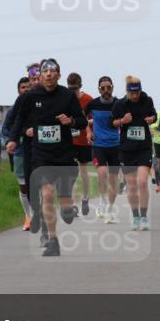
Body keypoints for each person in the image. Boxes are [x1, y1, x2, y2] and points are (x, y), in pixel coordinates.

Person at [7, 58, 87, 256]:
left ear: (59, 75)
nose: (49, 74)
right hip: (41, 155)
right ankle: (53, 241)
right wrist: (14, 139)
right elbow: (18, 120)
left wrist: (70, 121)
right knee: (48, 195)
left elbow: (82, 121)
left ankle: (68, 209)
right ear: (41, 76)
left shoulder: (67, 96)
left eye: (53, 71)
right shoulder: (30, 96)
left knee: (65, 205)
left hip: (65, 155)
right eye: (45, 71)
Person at [110, 76, 157, 230]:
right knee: (131, 186)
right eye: (132, 93)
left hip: (143, 147)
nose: (135, 96)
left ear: (140, 90)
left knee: (142, 182)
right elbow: (112, 123)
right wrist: (122, 121)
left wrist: (151, 119)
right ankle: (135, 216)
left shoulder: (147, 100)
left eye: (137, 92)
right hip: (126, 149)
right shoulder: (120, 104)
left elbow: (154, 115)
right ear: (127, 91)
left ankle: (144, 217)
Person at [85, 76, 121, 223]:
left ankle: (110, 210)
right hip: (99, 145)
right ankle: (101, 201)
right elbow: (82, 117)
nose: (106, 90)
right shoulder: (92, 104)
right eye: (103, 88)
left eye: (108, 87)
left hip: (116, 145)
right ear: (98, 89)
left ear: (112, 87)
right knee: (101, 173)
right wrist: (88, 131)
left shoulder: (119, 104)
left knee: (113, 179)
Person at [2, 75, 35, 230]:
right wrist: (19, 135)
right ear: (18, 91)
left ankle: (38, 213)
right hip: (21, 150)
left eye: (28, 87)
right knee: (23, 185)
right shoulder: (12, 111)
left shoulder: (37, 105)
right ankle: (28, 216)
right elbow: (6, 128)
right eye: (23, 88)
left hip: (37, 149)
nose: (26, 90)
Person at [66, 72, 94, 216]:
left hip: (83, 140)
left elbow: (95, 119)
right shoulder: (65, 99)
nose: (73, 92)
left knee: (83, 172)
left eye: (75, 89)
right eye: (70, 89)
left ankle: (85, 198)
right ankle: (73, 204)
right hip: (69, 140)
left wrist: (83, 123)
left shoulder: (88, 100)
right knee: (72, 174)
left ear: (80, 86)